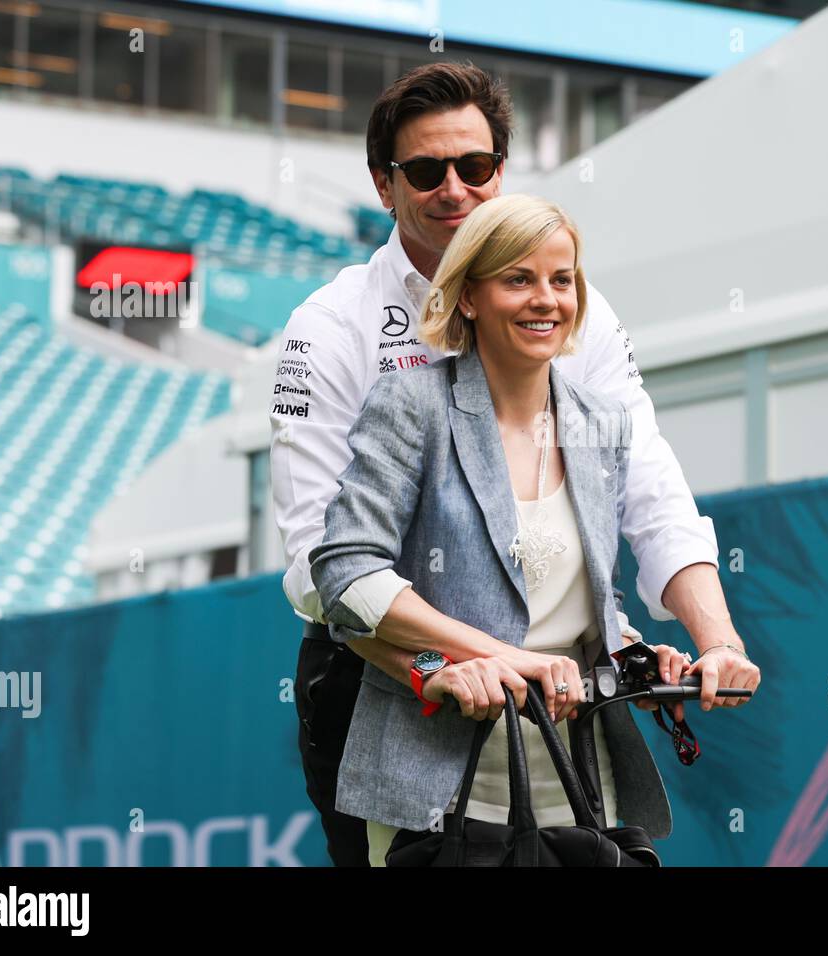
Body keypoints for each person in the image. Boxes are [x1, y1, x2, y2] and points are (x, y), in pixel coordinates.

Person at [271, 62, 759, 867]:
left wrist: (713, 639)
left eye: (477, 167)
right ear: (383, 186)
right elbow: (320, 567)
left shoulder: (574, 310)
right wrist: (441, 664)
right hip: (379, 677)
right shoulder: (329, 327)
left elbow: (647, 487)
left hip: (559, 704)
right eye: (426, 171)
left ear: (503, 172)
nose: (455, 189)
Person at [310, 193, 706, 864]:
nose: (545, 299)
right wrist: (482, 659)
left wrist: (634, 652)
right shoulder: (411, 405)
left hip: (581, 776)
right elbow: (346, 576)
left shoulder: (601, 421)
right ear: (466, 296)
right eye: (518, 279)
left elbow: (580, 595)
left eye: (561, 280)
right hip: (439, 790)